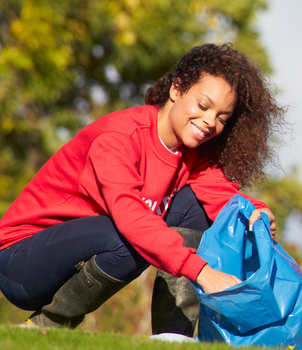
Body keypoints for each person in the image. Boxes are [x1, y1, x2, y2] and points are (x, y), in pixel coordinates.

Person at [0, 43, 285, 333]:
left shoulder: (191, 156)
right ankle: (47, 326)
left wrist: (255, 212)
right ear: (177, 89)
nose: (210, 121)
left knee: (194, 205)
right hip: (21, 263)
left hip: (83, 255)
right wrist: (204, 273)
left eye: (222, 117)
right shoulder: (118, 137)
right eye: (203, 106)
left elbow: (223, 197)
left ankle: (173, 340)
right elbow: (131, 217)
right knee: (131, 236)